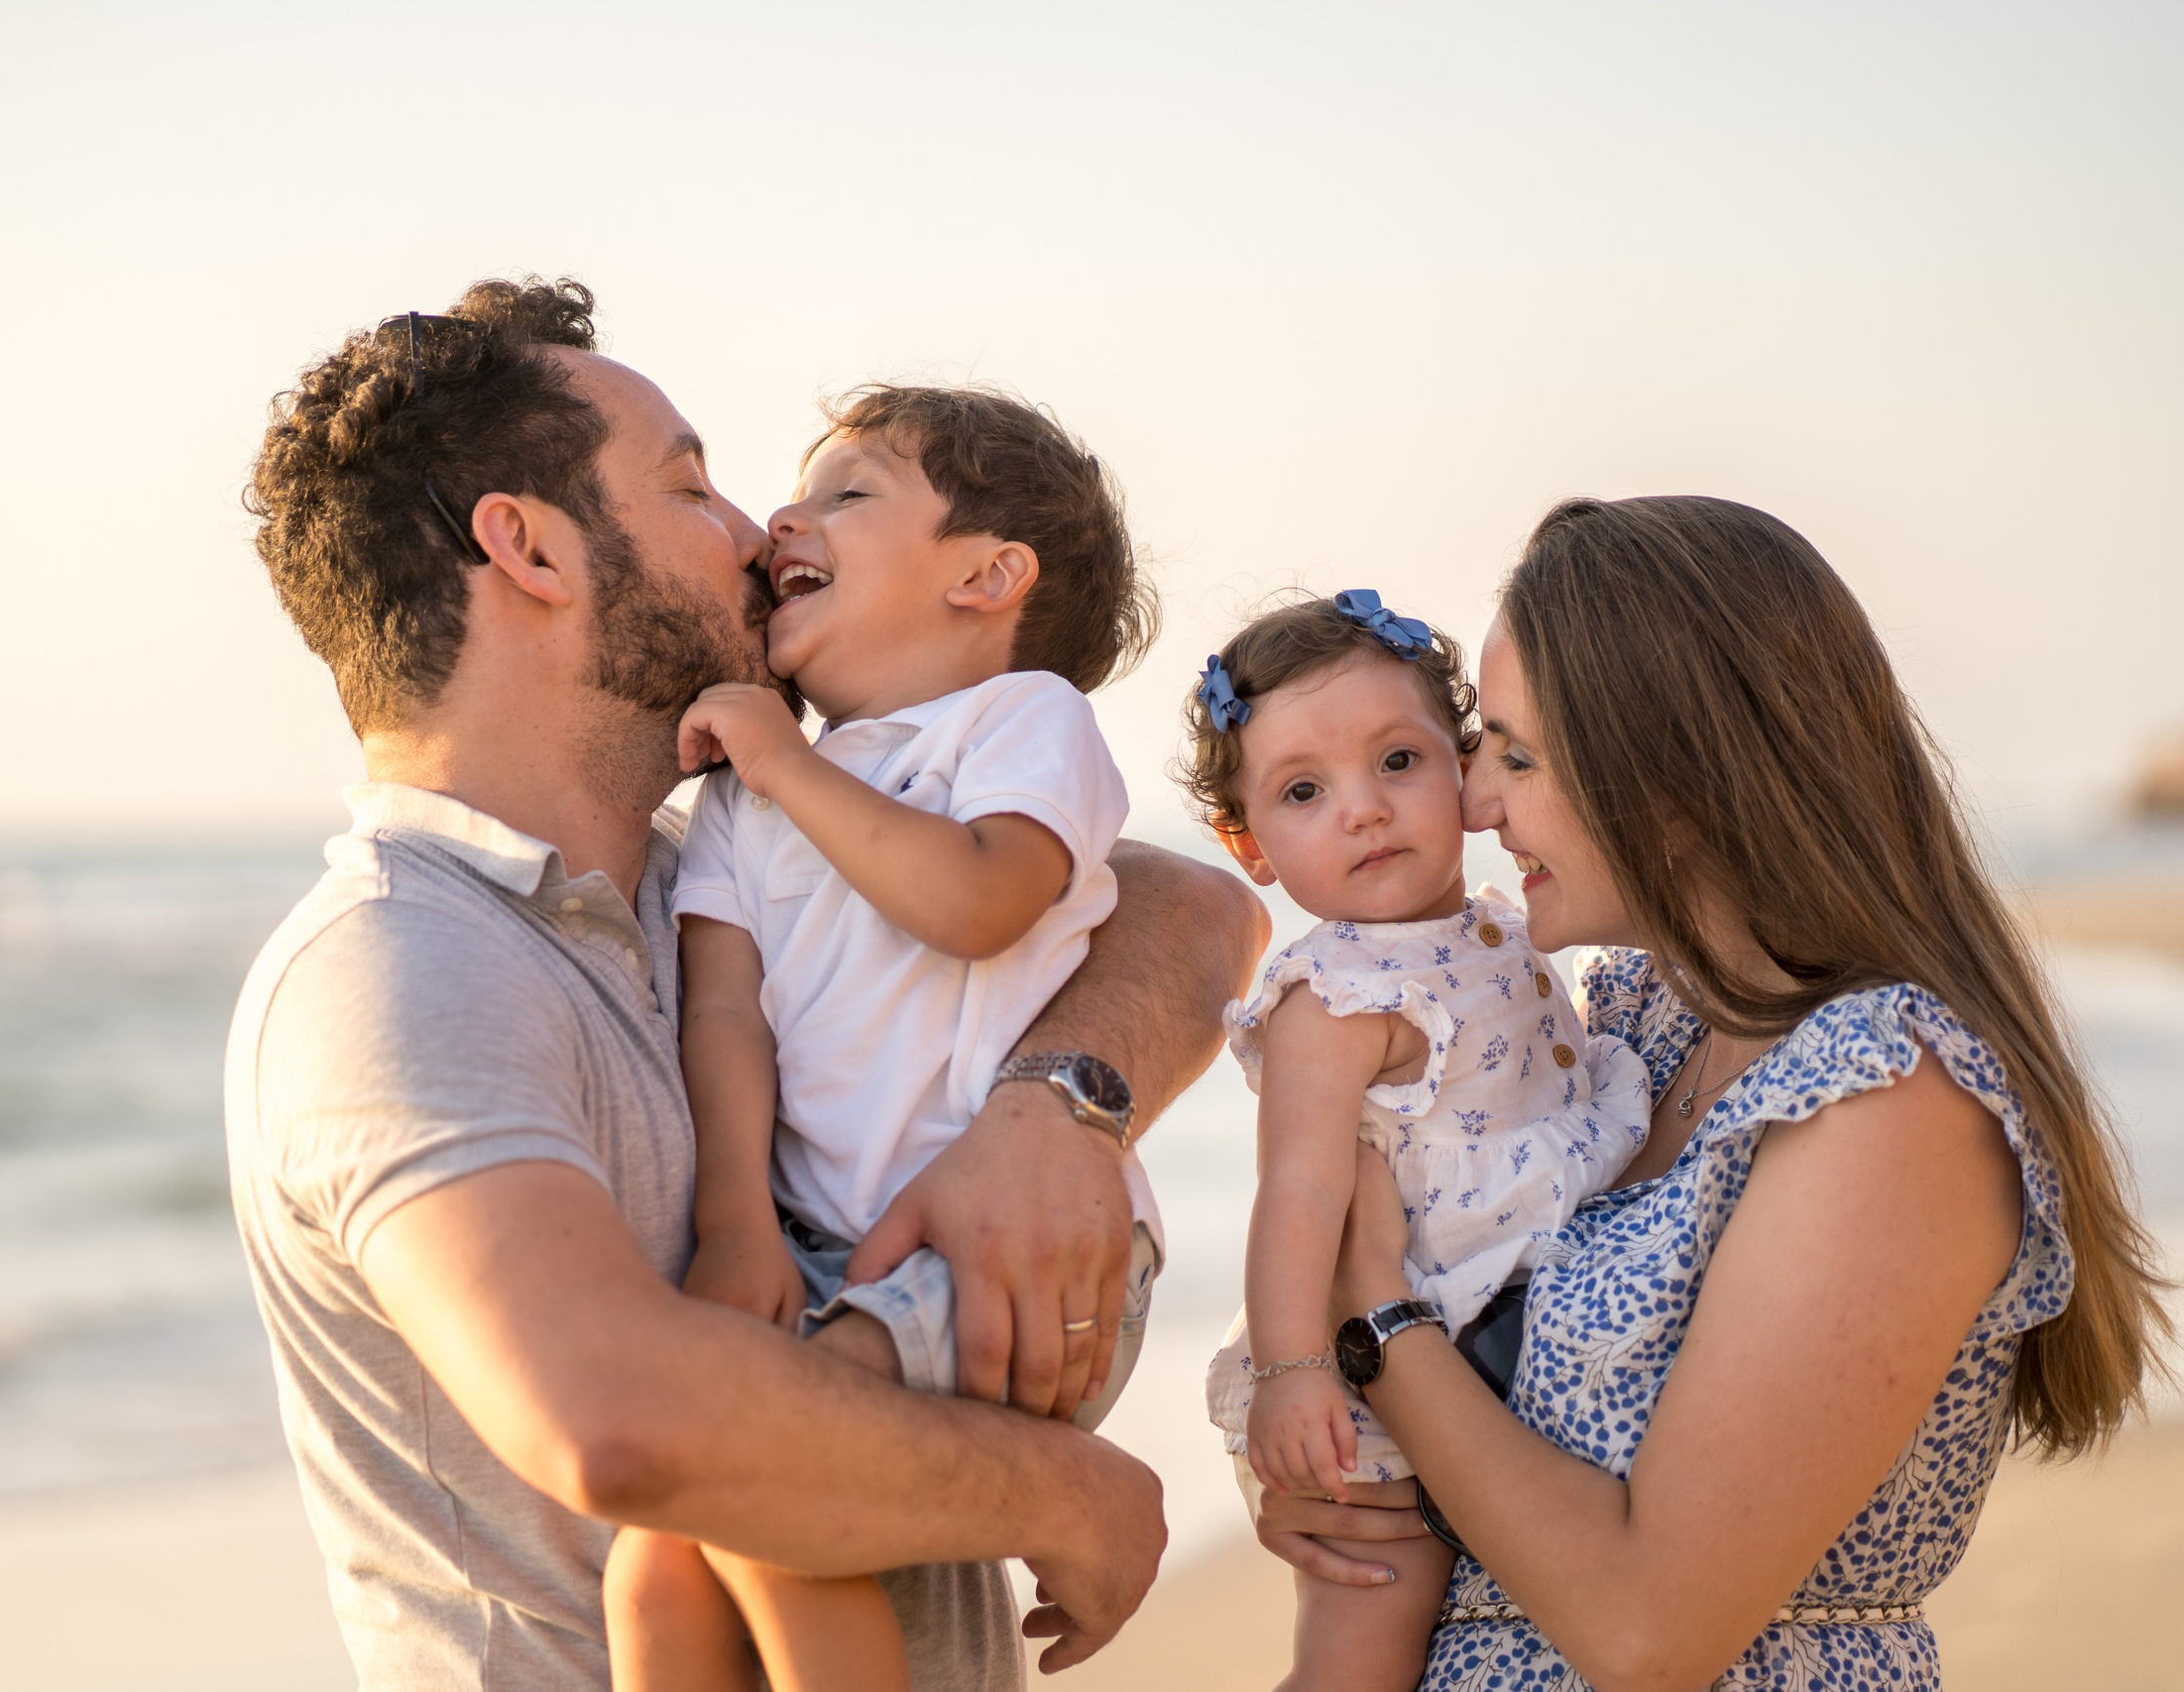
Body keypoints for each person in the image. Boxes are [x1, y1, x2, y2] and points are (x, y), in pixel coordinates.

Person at [226, 277, 1269, 1690]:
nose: (751, 532)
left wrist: (1049, 1110)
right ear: (529, 547)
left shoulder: (724, 853)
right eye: (690, 486)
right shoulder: (397, 966)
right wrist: (1066, 1494)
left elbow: (1195, 910)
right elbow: (612, 1422)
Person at [1271, 495, 2170, 1691]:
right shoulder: (1634, 1028)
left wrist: (1373, 1321)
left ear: (1679, 789)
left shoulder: (1888, 1097)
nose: (1476, 802)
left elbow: (1647, 1631)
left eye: (1518, 758)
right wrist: (1358, 1497)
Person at [602, 386, 1166, 1692]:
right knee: (656, 1560)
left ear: (987, 576)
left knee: (770, 1490)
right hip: (816, 1247)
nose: (783, 519)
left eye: (849, 493)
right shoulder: (740, 795)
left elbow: (978, 900)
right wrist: (735, 1223)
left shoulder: (1021, 721)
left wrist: (788, 766)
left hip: (1011, 1258)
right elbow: (723, 1013)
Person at [1174, 590, 1651, 1691]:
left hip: (1488, 1322)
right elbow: (1297, 1195)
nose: (1364, 811)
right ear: (1247, 844)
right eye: (1303, 791)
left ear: (1466, 767)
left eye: (1397, 761)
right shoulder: (1334, 998)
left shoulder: (1501, 922)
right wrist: (1294, 1372)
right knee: (1369, 1642)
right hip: (1374, 1380)